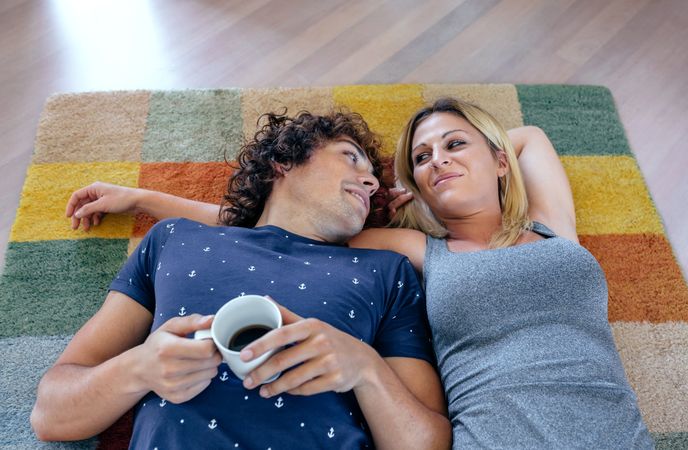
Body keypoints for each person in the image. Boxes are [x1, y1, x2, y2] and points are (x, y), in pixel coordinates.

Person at [63, 98, 654, 448]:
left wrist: (441, 162)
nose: (438, 160)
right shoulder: (414, 252)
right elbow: (274, 226)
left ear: (499, 161)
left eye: (456, 145)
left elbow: (530, 139)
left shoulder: (554, 230)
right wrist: (142, 198)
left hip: (615, 428)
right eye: (421, 158)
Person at [31, 110, 451, 449]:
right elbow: (51, 415)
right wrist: (139, 369)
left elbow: (428, 442)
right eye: (350, 156)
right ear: (284, 161)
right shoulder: (174, 239)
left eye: (374, 178)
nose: (371, 180)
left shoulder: (385, 269)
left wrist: (364, 368)